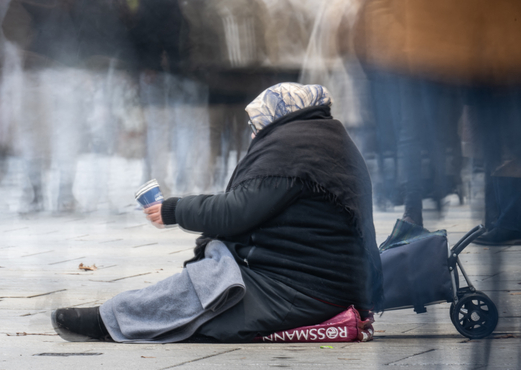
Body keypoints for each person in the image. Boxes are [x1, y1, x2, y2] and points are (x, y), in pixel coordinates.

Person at [51, 83, 383, 343]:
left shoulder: (294, 150)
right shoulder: (323, 141)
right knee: (209, 278)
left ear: (277, 117)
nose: (254, 133)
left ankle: (107, 320)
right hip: (316, 281)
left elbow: (235, 211)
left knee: (206, 294)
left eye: (258, 124)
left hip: (301, 289)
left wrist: (174, 210)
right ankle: (116, 316)